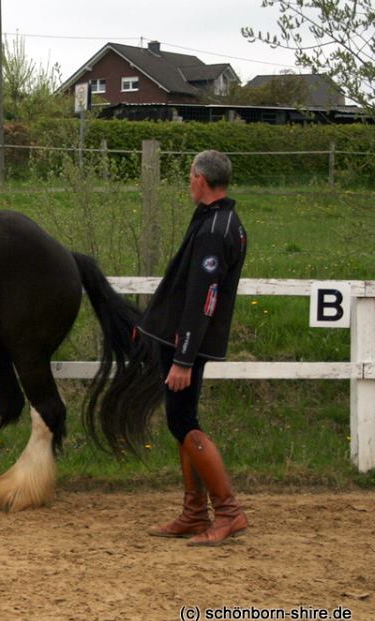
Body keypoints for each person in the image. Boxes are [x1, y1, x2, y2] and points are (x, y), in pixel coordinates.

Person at [138, 150, 249, 546]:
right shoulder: (220, 221)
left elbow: (204, 297)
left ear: (201, 180)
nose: (188, 183)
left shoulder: (214, 229)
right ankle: (194, 513)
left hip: (186, 345)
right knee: (181, 420)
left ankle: (228, 512)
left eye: (190, 177)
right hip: (181, 339)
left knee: (183, 422)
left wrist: (183, 357)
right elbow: (184, 286)